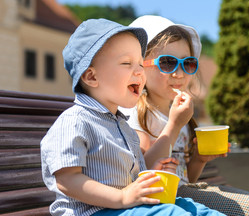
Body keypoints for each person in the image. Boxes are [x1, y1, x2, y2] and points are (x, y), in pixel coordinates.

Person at [40, 18, 226, 216]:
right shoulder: (74, 121)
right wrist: (122, 198)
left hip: (127, 208)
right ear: (91, 77)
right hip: (94, 211)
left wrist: (150, 172)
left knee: (201, 212)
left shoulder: (121, 125)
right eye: (127, 63)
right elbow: (66, 180)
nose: (139, 70)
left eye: (139, 62)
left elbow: (130, 180)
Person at [121, 15, 249, 216]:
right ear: (139, 66)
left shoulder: (180, 114)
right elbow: (143, 172)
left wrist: (199, 159)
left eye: (188, 63)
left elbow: (186, 177)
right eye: (167, 63)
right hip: (166, 198)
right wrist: (173, 125)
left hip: (186, 191)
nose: (179, 73)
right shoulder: (136, 113)